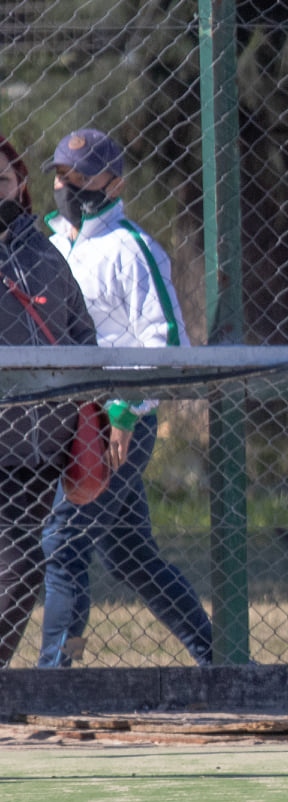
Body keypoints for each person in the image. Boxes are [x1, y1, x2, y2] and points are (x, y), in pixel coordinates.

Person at [36, 128, 214, 668]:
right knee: (131, 556)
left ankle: (56, 675)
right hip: (58, 418)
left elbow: (166, 342)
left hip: (114, 423)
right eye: (61, 175)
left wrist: (126, 410)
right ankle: (217, 655)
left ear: (114, 183)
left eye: (81, 176)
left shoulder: (132, 249)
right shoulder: (45, 246)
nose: (67, 186)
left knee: (63, 544)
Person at [0, 133, 100, 666]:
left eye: (1, 180)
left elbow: (82, 334)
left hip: (37, 451)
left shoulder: (46, 255)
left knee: (21, 570)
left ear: (19, 185)